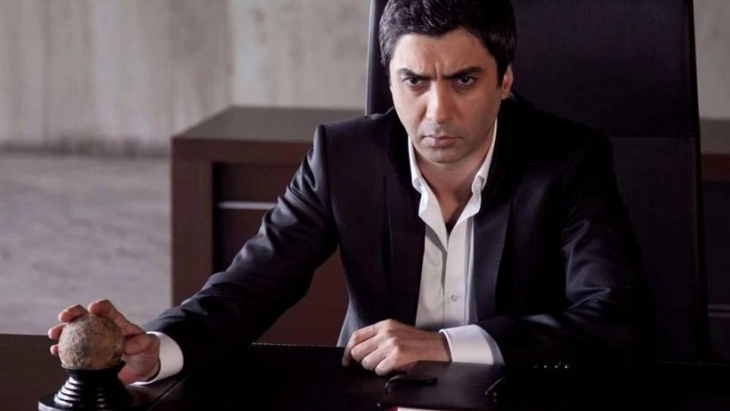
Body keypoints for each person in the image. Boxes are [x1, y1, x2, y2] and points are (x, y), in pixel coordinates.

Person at [48, 0, 650, 385]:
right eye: (414, 81)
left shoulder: (569, 160)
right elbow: (252, 285)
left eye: (464, 80)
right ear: (390, 80)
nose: (437, 111)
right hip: (370, 394)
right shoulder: (343, 156)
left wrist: (445, 346)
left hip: (518, 390)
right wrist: (160, 346)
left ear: (505, 80)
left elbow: (612, 318)